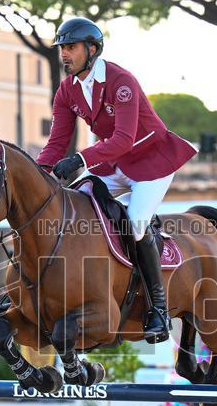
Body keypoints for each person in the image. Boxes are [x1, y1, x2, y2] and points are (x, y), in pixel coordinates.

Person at [36, 17, 197, 343]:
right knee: (76, 204)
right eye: (62, 49)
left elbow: (123, 138)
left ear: (92, 49)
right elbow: (56, 143)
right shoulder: (67, 90)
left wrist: (80, 160)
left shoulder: (121, 81)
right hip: (112, 164)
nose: (64, 54)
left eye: (70, 48)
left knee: (135, 222)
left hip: (151, 162)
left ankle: (158, 309)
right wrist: (37, 173)